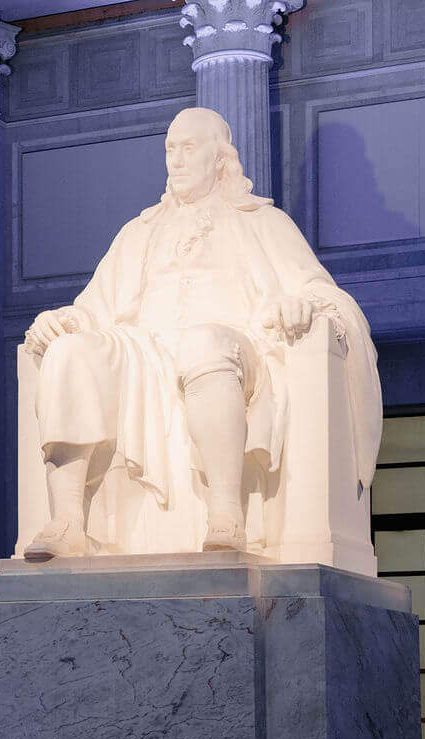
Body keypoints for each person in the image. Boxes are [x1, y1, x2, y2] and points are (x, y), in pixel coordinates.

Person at [20, 106, 383, 560]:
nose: (175, 160)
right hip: (146, 354)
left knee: (204, 345)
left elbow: (321, 291)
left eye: (188, 148)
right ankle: (69, 520)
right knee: (69, 353)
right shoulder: (139, 232)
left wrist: (301, 304)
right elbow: (94, 309)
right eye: (170, 149)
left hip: (237, 347)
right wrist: (62, 322)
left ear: (219, 158)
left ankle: (226, 514)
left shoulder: (260, 222)